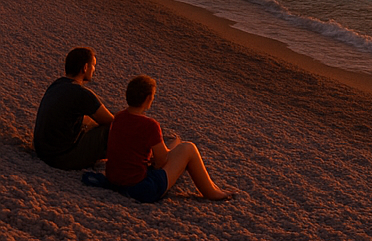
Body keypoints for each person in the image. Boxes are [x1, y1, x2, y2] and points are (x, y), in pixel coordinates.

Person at [104, 75, 235, 203]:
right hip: (140, 188)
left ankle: (214, 188)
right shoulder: (150, 125)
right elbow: (162, 161)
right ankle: (212, 193)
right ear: (149, 98)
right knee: (189, 148)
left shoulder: (119, 117)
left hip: (114, 180)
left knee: (175, 145)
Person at [33, 47, 114, 169]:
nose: (94, 69)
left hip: (42, 150)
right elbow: (112, 121)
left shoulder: (57, 85)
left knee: (92, 123)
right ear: (85, 67)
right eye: (93, 66)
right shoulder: (82, 93)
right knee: (111, 130)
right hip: (60, 157)